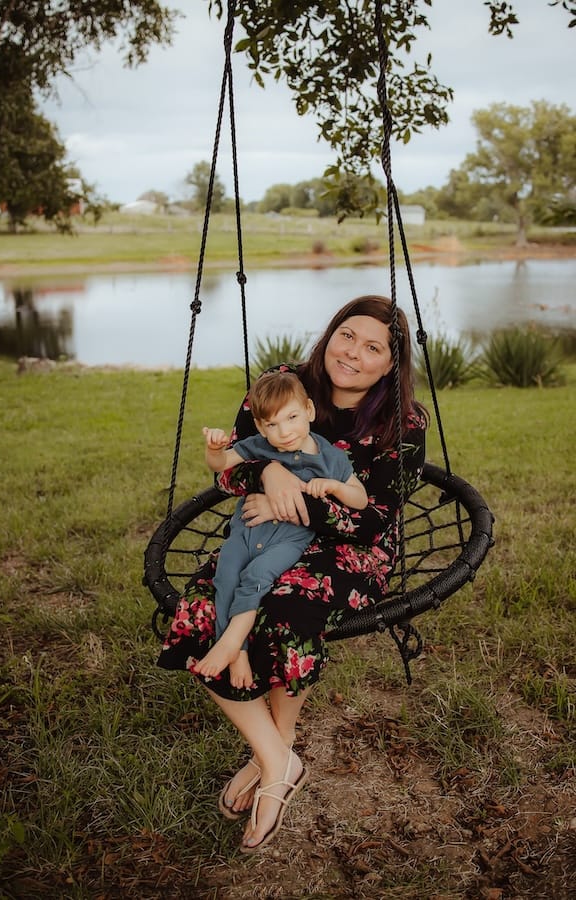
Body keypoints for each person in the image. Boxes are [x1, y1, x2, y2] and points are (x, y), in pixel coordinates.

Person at [157, 295, 428, 853]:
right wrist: (270, 472)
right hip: (263, 536)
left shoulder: (403, 423)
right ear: (331, 333)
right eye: (347, 335)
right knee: (203, 611)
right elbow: (233, 473)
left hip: (354, 550)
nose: (353, 353)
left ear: (391, 364)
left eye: (373, 347)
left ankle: (273, 757)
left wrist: (289, 495)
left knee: (286, 610)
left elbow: (374, 515)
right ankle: (278, 759)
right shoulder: (280, 384)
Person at [195, 370, 368, 690]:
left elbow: (359, 499)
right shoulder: (260, 446)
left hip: (288, 540)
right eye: (272, 424)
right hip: (246, 530)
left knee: (256, 577)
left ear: (309, 411)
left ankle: (230, 642)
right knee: (226, 577)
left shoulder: (331, 457)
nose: (284, 431)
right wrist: (215, 448)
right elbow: (220, 465)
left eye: (291, 417)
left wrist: (334, 486)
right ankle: (239, 653)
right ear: (261, 427)